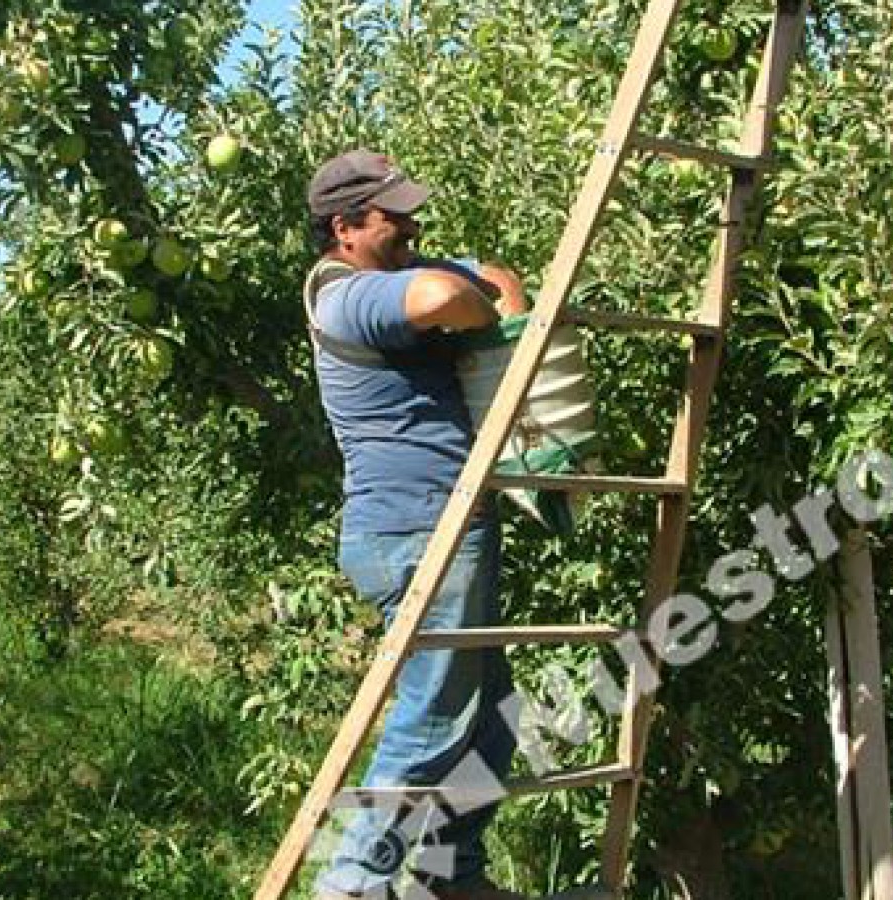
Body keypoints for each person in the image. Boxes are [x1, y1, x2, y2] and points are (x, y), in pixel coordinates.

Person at [302, 149, 529, 900]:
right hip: (420, 532)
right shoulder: (347, 297)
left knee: (494, 717)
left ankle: (450, 875)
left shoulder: (381, 272)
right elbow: (442, 295)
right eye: (393, 216)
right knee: (433, 719)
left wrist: (490, 297)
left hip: (438, 529)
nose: (411, 225)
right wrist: (484, 309)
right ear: (345, 227)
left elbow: (494, 275)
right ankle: (350, 886)